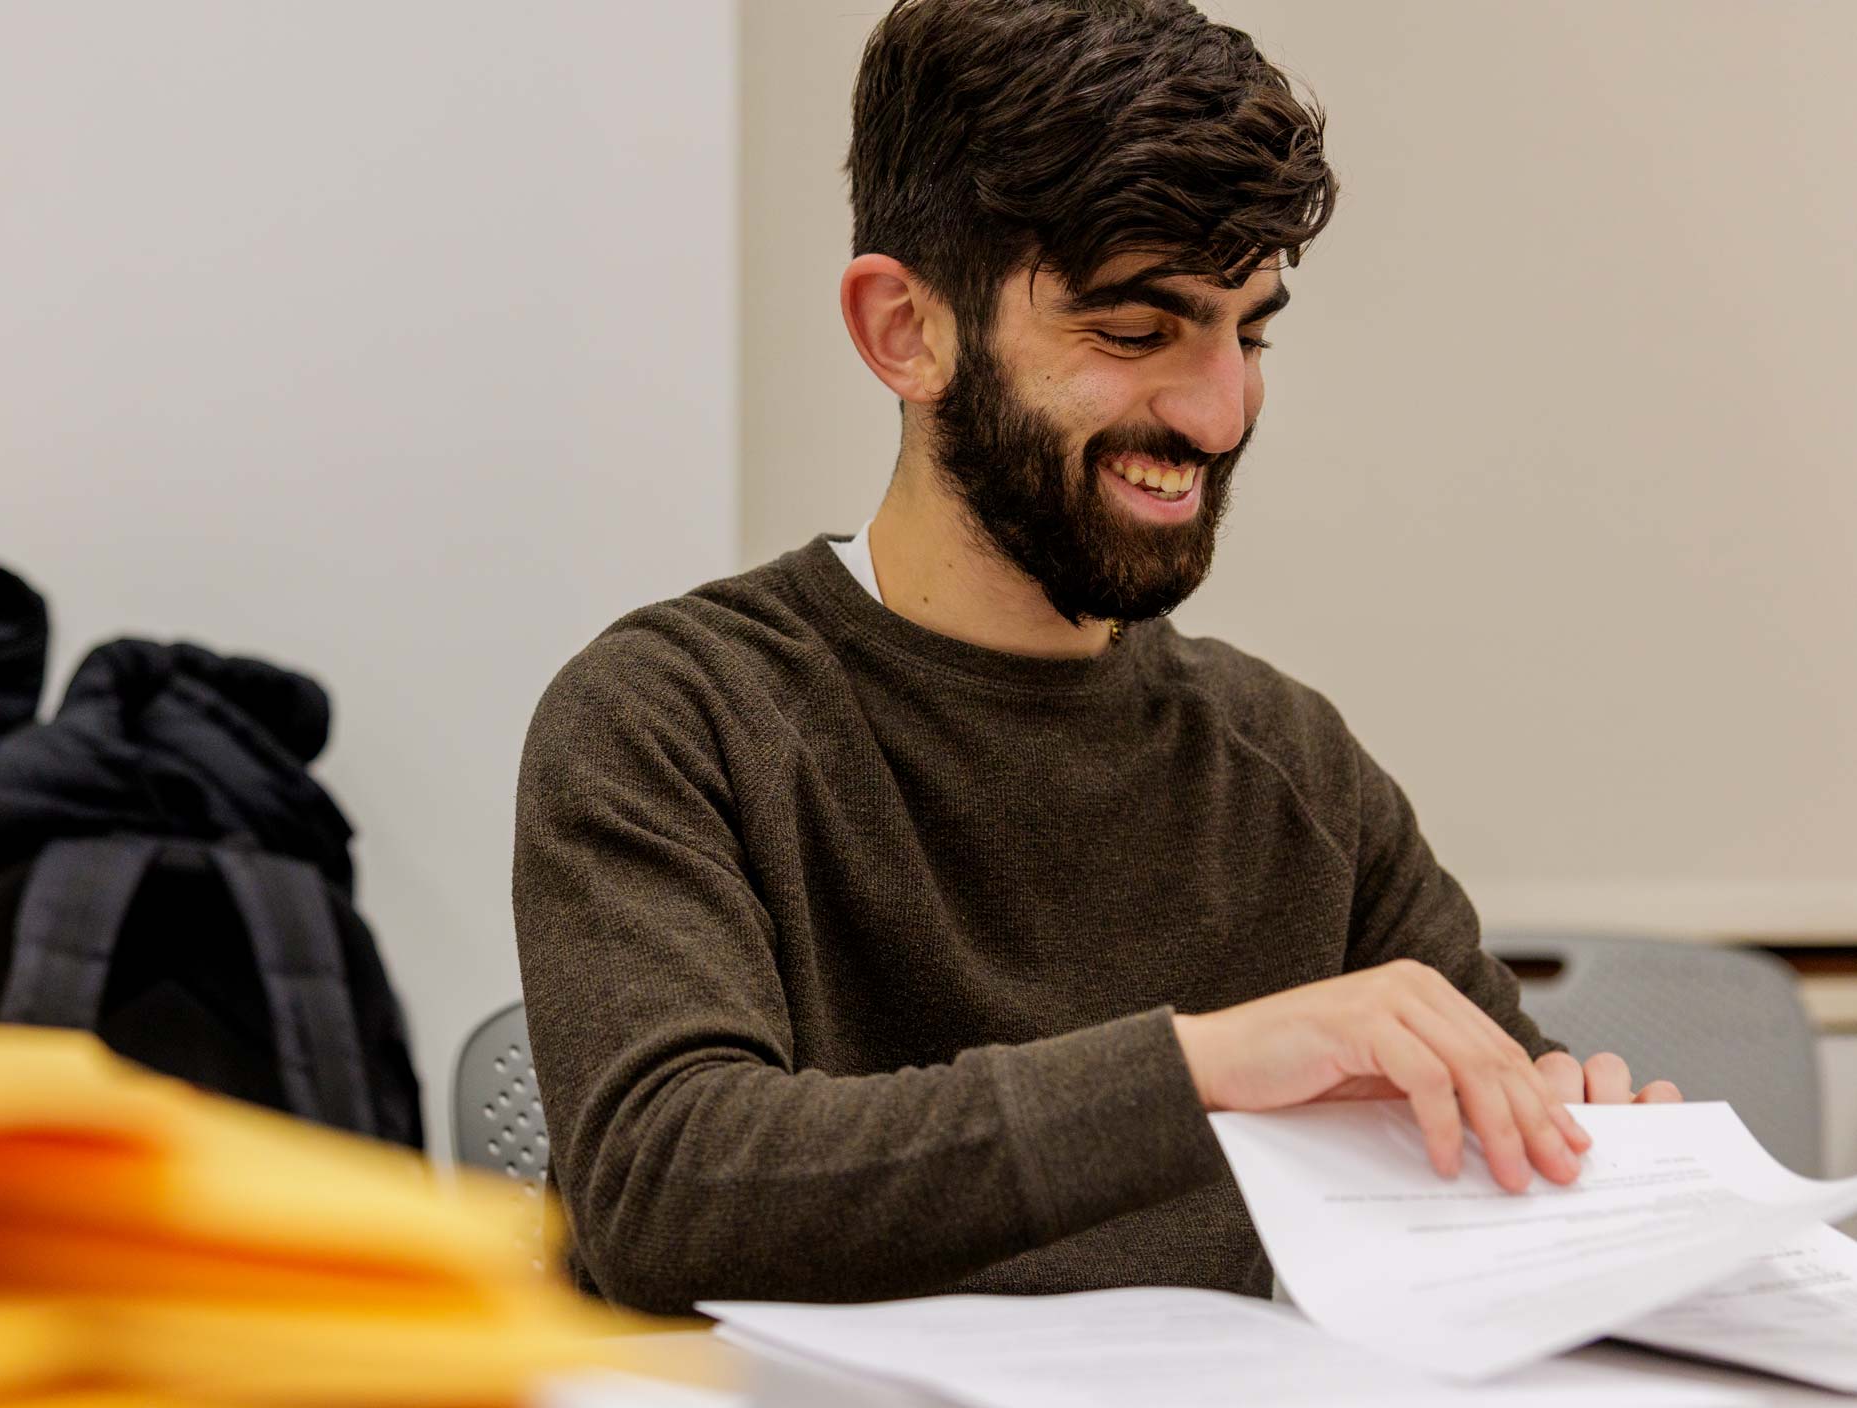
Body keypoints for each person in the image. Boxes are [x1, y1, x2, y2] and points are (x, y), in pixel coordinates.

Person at [511, 0, 1678, 1317]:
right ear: (905, 329)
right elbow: (667, 1193)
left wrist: (1591, 1163)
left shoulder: (1290, 763)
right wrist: (1199, 1070)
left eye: (1250, 331)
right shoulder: (673, 717)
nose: (1217, 409)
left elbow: (1497, 1149)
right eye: (1135, 332)